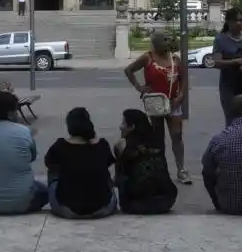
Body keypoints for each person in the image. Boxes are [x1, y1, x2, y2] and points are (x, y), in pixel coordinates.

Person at [124, 32, 192, 184]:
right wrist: (139, 87)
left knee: (177, 134)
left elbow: (184, 78)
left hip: (173, 102)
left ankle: (181, 169)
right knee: (158, 137)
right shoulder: (147, 58)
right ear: (156, 43)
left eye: (169, 39)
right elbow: (129, 70)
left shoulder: (175, 59)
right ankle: (161, 170)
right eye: (164, 39)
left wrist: (181, 95)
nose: (168, 42)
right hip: (156, 102)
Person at [44, 107, 117, 219]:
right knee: (105, 174)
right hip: (103, 208)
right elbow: (108, 163)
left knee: (53, 173)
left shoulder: (60, 145)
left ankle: (65, 196)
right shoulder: (102, 144)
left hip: (68, 209)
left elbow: (48, 163)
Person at [113, 108, 178, 214]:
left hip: (137, 205)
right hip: (166, 202)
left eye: (123, 123)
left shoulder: (122, 145)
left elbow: (118, 179)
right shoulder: (157, 143)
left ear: (132, 127)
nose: (120, 127)